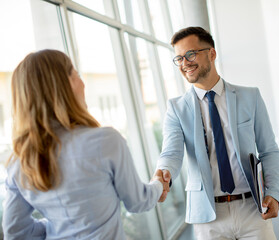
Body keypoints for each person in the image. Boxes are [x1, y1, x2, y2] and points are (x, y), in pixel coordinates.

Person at [2, 49, 167, 239]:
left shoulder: (20, 161)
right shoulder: (106, 141)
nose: (83, 83)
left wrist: (59, 227)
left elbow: (15, 232)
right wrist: (159, 185)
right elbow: (138, 201)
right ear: (65, 86)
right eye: (76, 75)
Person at [153, 27, 279, 239]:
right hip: (207, 216)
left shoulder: (250, 97)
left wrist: (274, 193)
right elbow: (171, 153)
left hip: (252, 208)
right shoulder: (176, 108)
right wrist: (163, 172)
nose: (185, 63)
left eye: (190, 54)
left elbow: (269, 151)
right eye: (179, 58)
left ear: (211, 54)